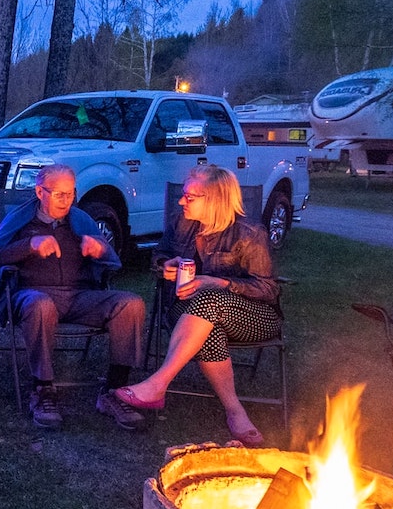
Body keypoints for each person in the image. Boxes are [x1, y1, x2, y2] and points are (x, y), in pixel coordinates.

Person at [109, 164, 282, 446]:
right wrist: (166, 265)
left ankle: (157, 384)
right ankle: (234, 409)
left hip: (251, 315)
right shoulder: (182, 224)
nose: (181, 201)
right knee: (207, 322)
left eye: (190, 197)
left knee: (208, 298)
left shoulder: (249, 234)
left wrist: (219, 283)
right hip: (188, 314)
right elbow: (160, 255)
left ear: (215, 199)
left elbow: (268, 289)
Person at [0, 164, 148, 430]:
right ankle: (43, 390)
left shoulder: (80, 221)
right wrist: (29, 246)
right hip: (32, 294)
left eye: (71, 194)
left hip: (80, 296)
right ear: (39, 192)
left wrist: (100, 249)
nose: (66, 201)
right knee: (41, 304)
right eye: (59, 194)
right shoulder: (22, 221)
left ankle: (115, 391)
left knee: (130, 304)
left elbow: (112, 263)